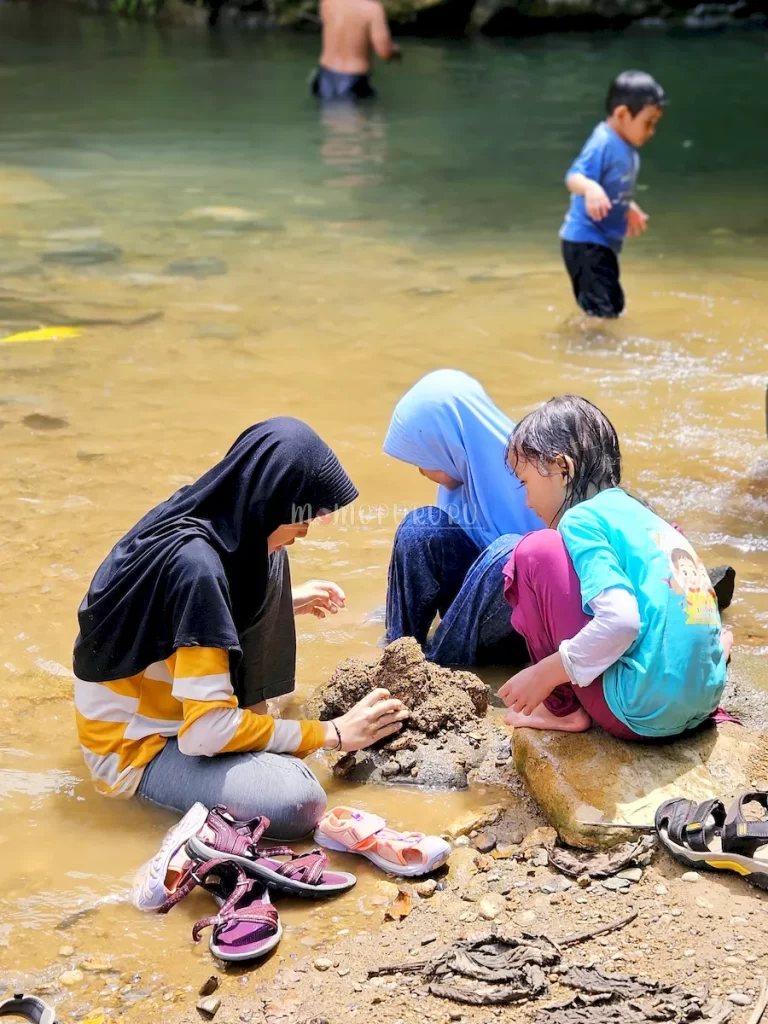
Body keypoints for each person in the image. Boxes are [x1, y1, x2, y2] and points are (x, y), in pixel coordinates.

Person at [73, 417, 408, 838]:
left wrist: (285, 602)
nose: (308, 528)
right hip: (139, 752)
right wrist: (333, 733)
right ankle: (247, 738)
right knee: (297, 800)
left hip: (169, 709)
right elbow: (203, 733)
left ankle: (253, 719)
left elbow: (172, 617)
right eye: (302, 514)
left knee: (271, 553)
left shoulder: (205, 516)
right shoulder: (196, 573)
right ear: (270, 498)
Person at [499, 395, 733, 741]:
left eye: (525, 482)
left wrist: (545, 674)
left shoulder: (581, 519)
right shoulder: (646, 517)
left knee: (535, 551)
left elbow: (622, 622)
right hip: (704, 700)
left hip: (640, 712)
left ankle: (562, 708)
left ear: (563, 469)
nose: (527, 500)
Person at [383, 369, 544, 667]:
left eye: (426, 459)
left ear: (452, 443)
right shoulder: (465, 480)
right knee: (421, 527)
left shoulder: (538, 475)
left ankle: (440, 668)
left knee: (512, 553)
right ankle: (398, 657)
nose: (421, 471)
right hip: (466, 619)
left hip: (523, 631)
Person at [560, 70, 666, 319]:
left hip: (601, 244)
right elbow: (573, 177)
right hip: (585, 242)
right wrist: (591, 188)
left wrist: (628, 206)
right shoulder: (604, 142)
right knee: (602, 312)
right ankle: (587, 351)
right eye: (647, 123)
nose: (651, 131)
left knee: (613, 305)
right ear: (622, 114)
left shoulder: (626, 147)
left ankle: (585, 341)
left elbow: (613, 185)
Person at [311, 0, 400, 102]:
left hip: (324, 78)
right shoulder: (372, 9)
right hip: (352, 82)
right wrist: (395, 51)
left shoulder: (327, 2)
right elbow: (384, 52)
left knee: (328, 115)